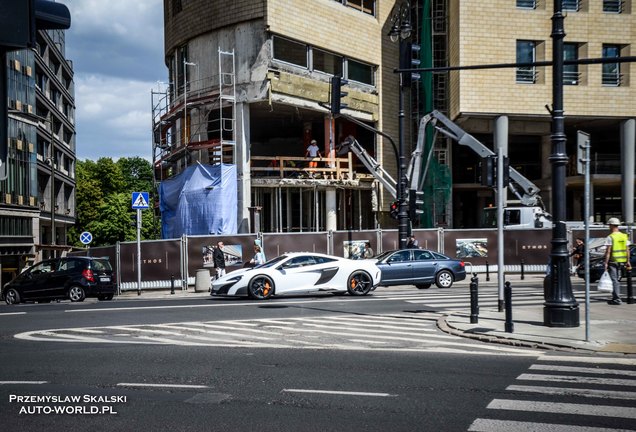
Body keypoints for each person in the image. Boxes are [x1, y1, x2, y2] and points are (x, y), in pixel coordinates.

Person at [603, 218, 631, 305]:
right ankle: (616, 297)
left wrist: (606, 263)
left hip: (613, 261)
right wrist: (628, 261)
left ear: (611, 225)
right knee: (617, 280)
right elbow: (627, 250)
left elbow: (608, 251)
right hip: (622, 261)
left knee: (614, 280)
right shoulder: (624, 236)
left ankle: (616, 299)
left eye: (609, 225)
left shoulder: (610, 237)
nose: (609, 227)